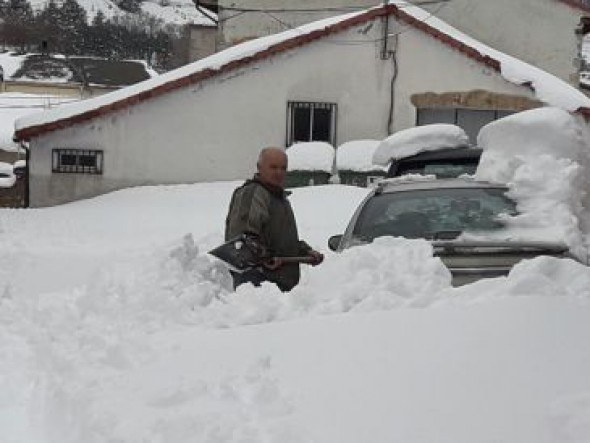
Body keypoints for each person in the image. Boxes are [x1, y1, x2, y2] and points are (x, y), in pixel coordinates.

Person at [225, 147, 324, 291]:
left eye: (283, 168)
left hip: (278, 288)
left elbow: (277, 241)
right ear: (259, 167)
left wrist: (304, 252)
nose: (279, 172)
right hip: (257, 287)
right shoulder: (253, 194)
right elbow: (242, 242)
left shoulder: (277, 198)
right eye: (273, 167)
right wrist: (266, 258)